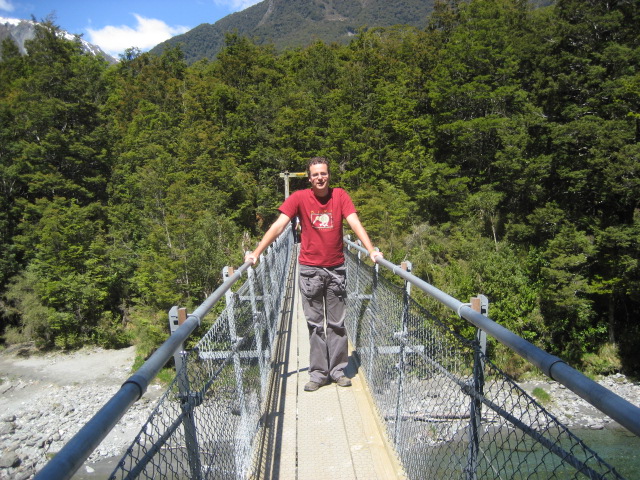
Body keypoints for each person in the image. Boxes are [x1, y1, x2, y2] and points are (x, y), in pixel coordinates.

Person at [245, 157, 383, 392]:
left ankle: (338, 370)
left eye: (324, 173)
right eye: (315, 174)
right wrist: (257, 252)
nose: (320, 178)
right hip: (310, 270)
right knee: (315, 325)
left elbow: (354, 222)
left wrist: (370, 249)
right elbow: (279, 226)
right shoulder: (299, 198)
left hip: (336, 269)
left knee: (337, 324)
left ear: (329, 175)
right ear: (309, 178)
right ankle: (318, 373)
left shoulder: (340, 196)